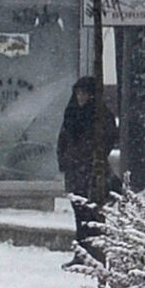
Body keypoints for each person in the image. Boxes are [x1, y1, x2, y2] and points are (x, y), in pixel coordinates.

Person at [60, 76, 118, 261]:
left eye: (85, 93)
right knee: (79, 213)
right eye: (78, 92)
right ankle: (82, 252)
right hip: (74, 171)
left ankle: (95, 253)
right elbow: (63, 138)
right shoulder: (72, 112)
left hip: (91, 170)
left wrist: (93, 156)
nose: (81, 97)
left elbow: (108, 138)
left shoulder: (100, 114)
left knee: (93, 213)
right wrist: (64, 159)